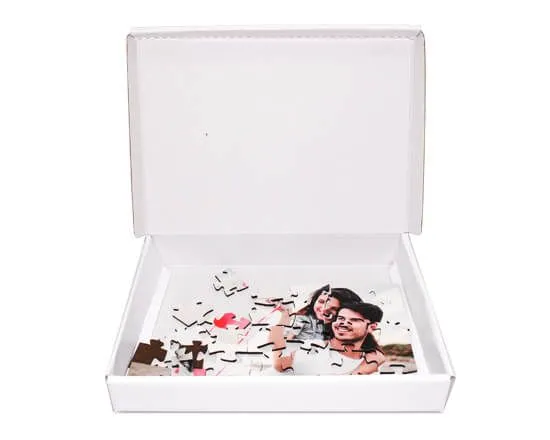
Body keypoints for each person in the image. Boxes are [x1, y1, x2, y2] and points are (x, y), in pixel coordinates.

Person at [272, 301, 385, 375]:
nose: (343, 323)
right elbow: (280, 365)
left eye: (354, 320)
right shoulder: (311, 347)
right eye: (340, 318)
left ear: (372, 327)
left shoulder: (371, 361)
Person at [280, 285, 363, 340]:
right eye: (321, 302)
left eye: (333, 308)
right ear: (314, 300)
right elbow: (285, 341)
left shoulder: (338, 328)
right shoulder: (302, 320)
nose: (323, 309)